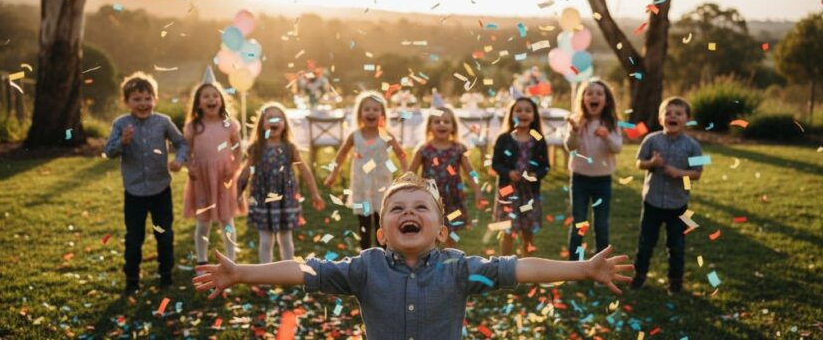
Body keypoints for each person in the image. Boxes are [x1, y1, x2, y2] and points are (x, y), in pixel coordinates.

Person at [193, 172, 634, 340]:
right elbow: (303, 269)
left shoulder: (459, 268)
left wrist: (583, 267)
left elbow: (518, 268)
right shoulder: (364, 268)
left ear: (441, 231)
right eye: (397, 209)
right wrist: (242, 272)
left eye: (420, 207)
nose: (408, 212)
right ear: (383, 232)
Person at [104, 72, 188, 292]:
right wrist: (122, 142)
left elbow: (182, 143)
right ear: (127, 102)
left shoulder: (163, 122)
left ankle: (166, 275)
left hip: (161, 190)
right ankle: (132, 278)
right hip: (134, 193)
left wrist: (179, 161)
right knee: (134, 237)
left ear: (155, 99)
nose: (143, 104)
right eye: (137, 99)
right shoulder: (121, 124)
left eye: (147, 98)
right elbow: (109, 151)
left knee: (164, 234)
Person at [632, 96, 705, 293]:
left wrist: (679, 173)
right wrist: (651, 164)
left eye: (678, 113)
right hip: (652, 202)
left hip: (679, 205)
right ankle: (638, 276)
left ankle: (675, 282)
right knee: (645, 243)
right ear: (660, 118)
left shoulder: (694, 146)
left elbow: (698, 173)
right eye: (668, 113)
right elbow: (639, 162)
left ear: (687, 119)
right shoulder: (651, 140)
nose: (672, 116)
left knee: (677, 246)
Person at [238, 102, 325, 263]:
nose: (274, 121)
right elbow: (245, 171)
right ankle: (266, 276)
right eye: (269, 117)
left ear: (284, 124)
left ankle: (287, 273)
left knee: (285, 239)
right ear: (262, 124)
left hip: (286, 199)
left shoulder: (289, 148)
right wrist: (237, 192)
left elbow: (304, 170)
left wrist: (314, 194)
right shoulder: (256, 148)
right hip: (263, 199)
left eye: (278, 118)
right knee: (265, 241)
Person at [324, 91, 408, 250]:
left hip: (381, 185)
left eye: (375, 109)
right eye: (367, 109)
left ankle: (383, 256)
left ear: (382, 114)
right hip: (362, 185)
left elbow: (401, 154)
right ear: (360, 113)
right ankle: (365, 255)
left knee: (381, 222)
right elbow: (341, 155)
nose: (371, 112)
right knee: (363, 222)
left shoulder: (385, 135)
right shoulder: (355, 135)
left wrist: (406, 173)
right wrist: (333, 174)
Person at [182, 82, 245, 265]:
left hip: (224, 178)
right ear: (198, 103)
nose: (211, 99)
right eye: (206, 96)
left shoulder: (229, 125)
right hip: (201, 178)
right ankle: (202, 260)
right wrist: (190, 166)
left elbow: (238, 150)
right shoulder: (194, 126)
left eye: (215, 96)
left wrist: (234, 168)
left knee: (226, 219)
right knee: (203, 221)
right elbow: (186, 150)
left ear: (222, 100)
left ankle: (230, 260)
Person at [564, 79, 623, 261]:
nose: (594, 97)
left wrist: (607, 138)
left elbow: (617, 148)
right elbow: (570, 147)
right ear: (583, 99)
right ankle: (575, 266)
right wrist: (574, 131)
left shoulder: (611, 123)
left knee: (601, 225)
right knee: (579, 223)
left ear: (606, 100)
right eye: (589, 93)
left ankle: (599, 266)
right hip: (580, 179)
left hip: (602, 181)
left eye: (599, 93)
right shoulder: (577, 121)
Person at [408, 106, 484, 246]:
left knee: (451, 232)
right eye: (437, 121)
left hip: (453, 199)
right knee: (430, 231)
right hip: (430, 200)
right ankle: (429, 261)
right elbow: (410, 173)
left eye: (446, 121)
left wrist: (478, 190)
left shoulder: (459, 148)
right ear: (430, 126)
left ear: (453, 126)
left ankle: (452, 260)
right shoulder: (424, 149)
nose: (442, 124)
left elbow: (470, 172)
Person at [491, 97, 550, 256]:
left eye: (528, 110)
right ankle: (505, 268)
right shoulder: (504, 139)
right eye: (518, 110)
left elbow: (545, 166)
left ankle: (526, 268)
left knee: (528, 233)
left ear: (534, 115)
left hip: (529, 194)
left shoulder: (538, 139)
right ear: (511, 114)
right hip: (508, 192)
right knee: (508, 231)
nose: (523, 113)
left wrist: (534, 175)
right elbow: (495, 164)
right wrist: (509, 173)